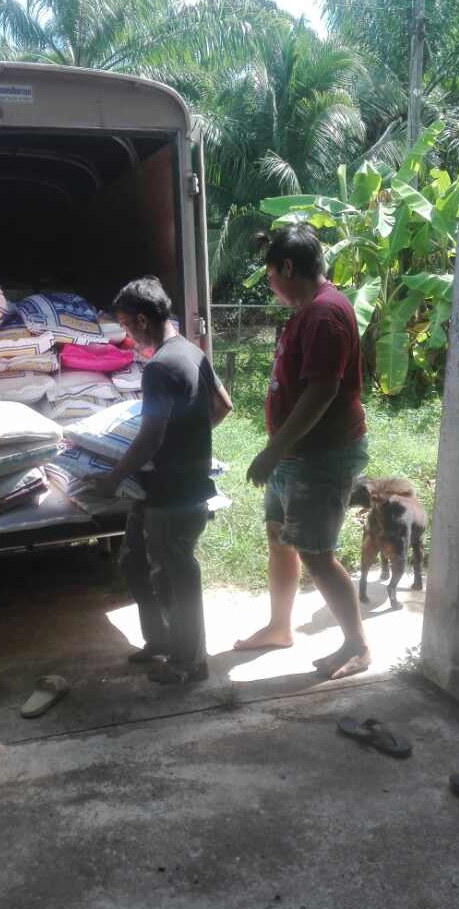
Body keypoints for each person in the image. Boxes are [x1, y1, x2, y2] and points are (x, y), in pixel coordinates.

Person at [233, 224, 371, 680]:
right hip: (295, 454)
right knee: (279, 537)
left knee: (316, 553)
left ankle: (357, 646)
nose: (270, 283)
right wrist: (280, 449)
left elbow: (322, 391)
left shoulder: (325, 314)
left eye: (271, 274)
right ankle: (279, 627)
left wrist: (274, 449)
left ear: (288, 267)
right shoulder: (308, 309)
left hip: (320, 455)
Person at [91, 276, 232, 684]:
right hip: (167, 487)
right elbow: (224, 405)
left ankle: (190, 662)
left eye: (125, 324)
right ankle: (161, 640)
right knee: (134, 561)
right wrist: (190, 437)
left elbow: (151, 436)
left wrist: (114, 477)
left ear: (141, 320)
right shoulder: (192, 351)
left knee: (176, 573)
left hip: (173, 492)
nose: (126, 334)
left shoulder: (159, 366)